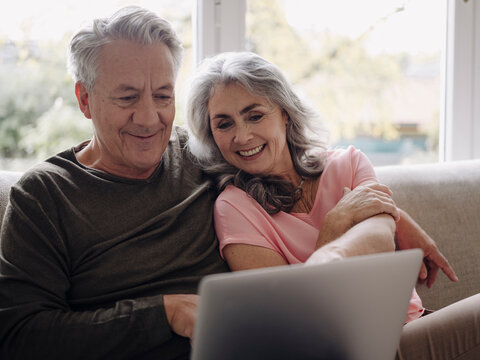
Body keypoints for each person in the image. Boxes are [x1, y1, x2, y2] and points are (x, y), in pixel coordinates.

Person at [185, 51, 479, 359]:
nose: (242, 136)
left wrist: (317, 272)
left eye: (254, 115)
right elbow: (287, 320)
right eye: (224, 124)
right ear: (212, 135)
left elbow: (379, 239)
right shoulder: (233, 208)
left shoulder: (348, 163)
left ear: (285, 112)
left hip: (409, 327)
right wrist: (336, 223)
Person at [0, 6, 230, 360]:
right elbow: (21, 336)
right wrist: (163, 314)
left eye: (163, 96)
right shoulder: (43, 196)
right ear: (85, 99)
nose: (150, 118)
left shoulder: (200, 153)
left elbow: (294, 174)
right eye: (127, 98)